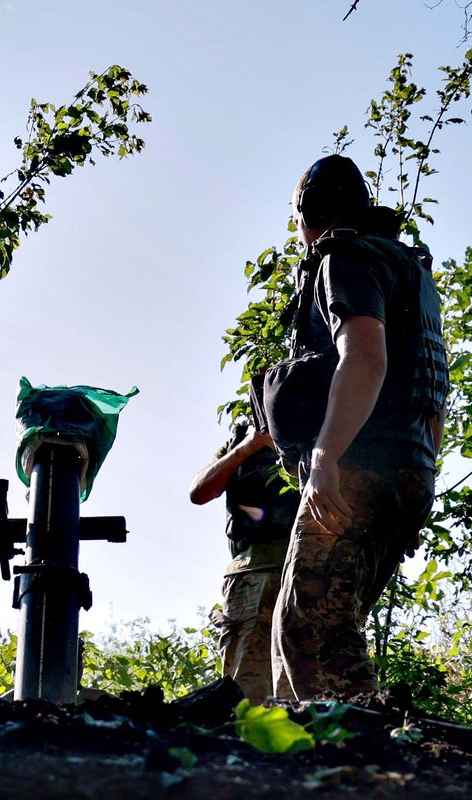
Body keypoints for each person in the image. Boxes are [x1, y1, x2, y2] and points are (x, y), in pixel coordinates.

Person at [269, 154, 449, 700]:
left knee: (313, 630)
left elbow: (364, 357)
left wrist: (324, 459)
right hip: (410, 466)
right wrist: (417, 485)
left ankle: (360, 760)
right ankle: (296, 765)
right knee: (300, 621)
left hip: (359, 465)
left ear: (305, 216)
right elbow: (433, 392)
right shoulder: (410, 273)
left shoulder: (341, 257)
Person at [189, 423, 299, 705]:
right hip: (251, 574)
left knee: (306, 683)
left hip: (307, 567)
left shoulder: (310, 423)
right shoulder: (240, 440)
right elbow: (199, 492)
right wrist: (248, 446)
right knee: (244, 693)